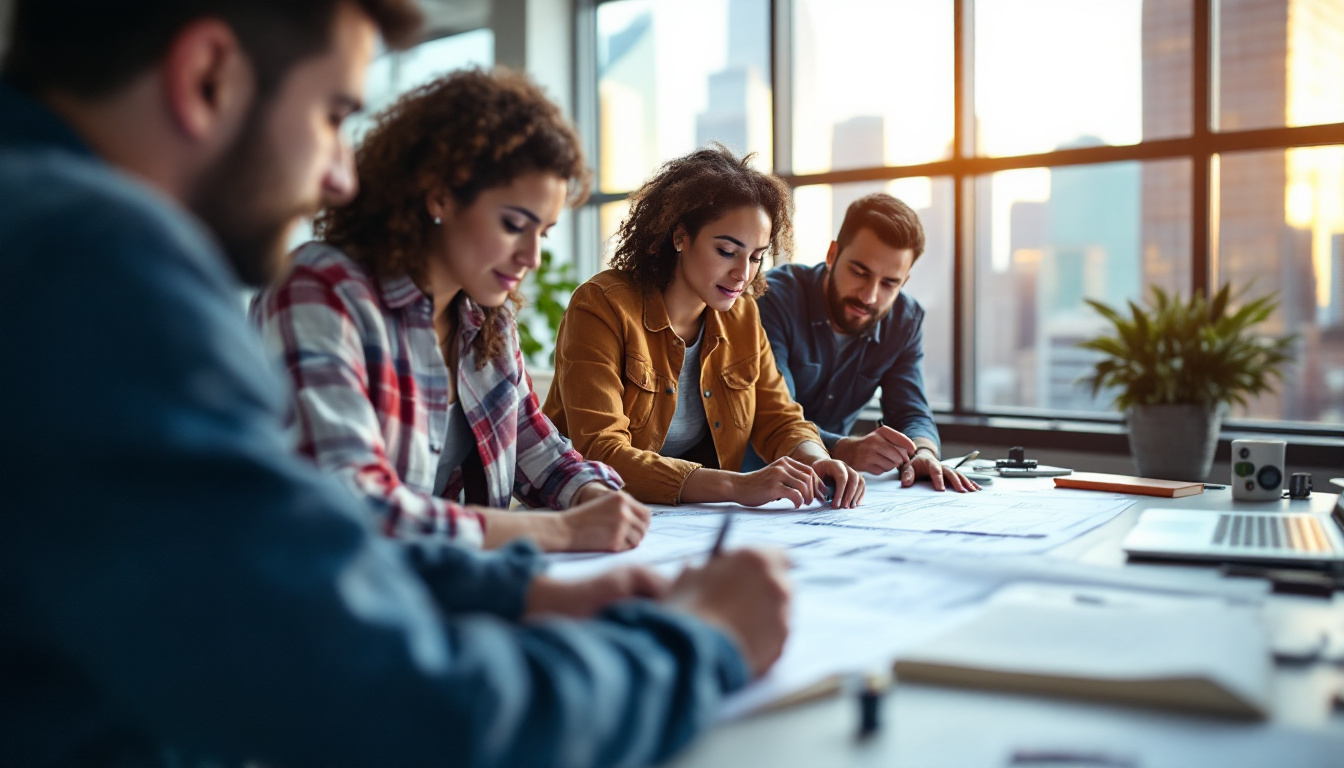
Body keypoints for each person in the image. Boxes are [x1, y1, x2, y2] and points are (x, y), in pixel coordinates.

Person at [0, 2, 791, 766]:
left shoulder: (43, 225)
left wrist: (520, 596)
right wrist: (701, 641)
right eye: (333, 114)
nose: (342, 175)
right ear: (207, 76)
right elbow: (403, 702)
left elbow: (297, 554)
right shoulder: (92, 262)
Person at [252, 68, 651, 554]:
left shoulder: (487, 320)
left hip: (443, 595)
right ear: (440, 194)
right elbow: (349, 506)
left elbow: (541, 453)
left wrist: (596, 498)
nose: (532, 257)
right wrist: (562, 531)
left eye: (542, 232)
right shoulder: (320, 290)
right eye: (513, 224)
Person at [544, 145, 865, 509]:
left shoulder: (741, 314)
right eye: (727, 251)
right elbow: (601, 452)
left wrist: (815, 458)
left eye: (756, 257)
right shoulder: (602, 305)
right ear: (680, 237)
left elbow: (778, 417)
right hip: (584, 515)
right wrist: (736, 486)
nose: (743, 274)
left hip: (682, 523)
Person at [756, 193, 979, 492]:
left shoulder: (904, 320)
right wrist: (843, 449)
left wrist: (923, 452)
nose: (869, 296)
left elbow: (910, 411)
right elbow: (771, 414)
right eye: (860, 273)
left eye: (889, 283)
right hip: (752, 482)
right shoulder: (774, 298)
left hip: (830, 493)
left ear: (905, 281)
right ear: (833, 254)